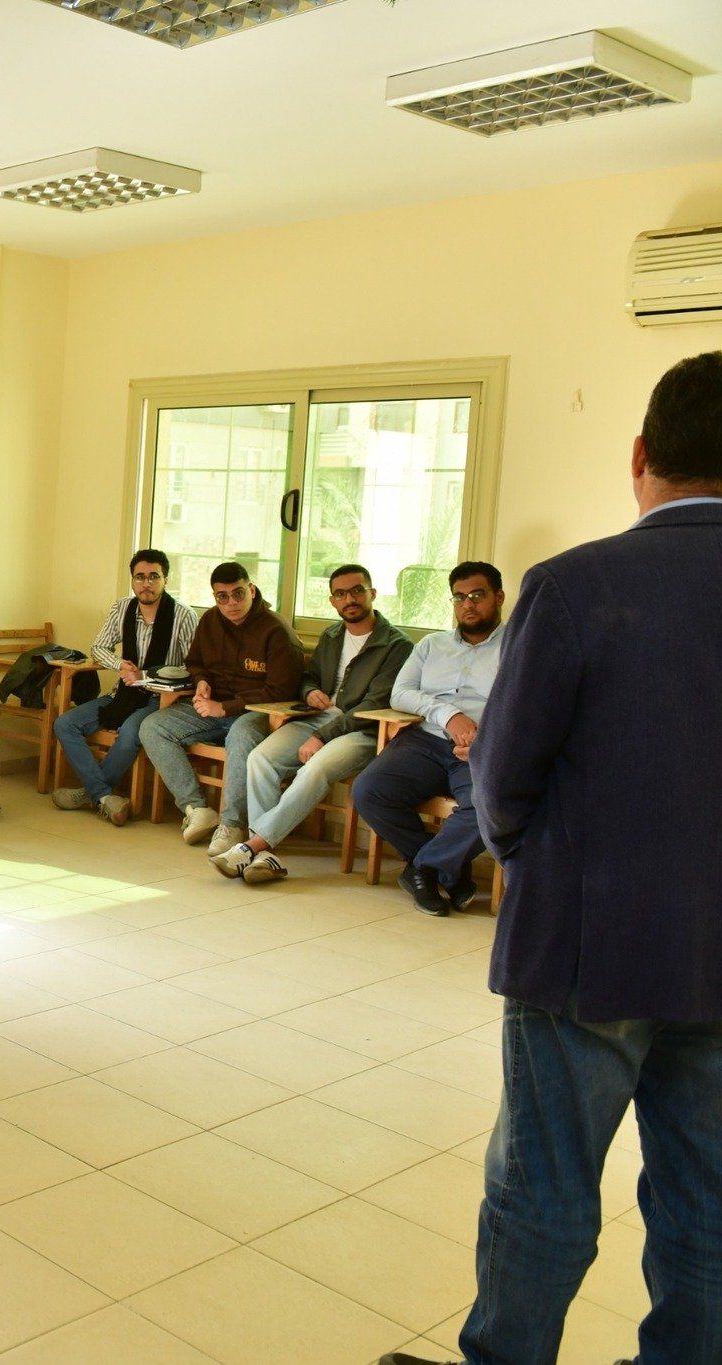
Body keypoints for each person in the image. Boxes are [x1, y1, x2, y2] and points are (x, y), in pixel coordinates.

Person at [376, 361, 722, 1365]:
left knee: (545, 1186)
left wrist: (534, 865)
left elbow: (501, 770)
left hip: (586, 942)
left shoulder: (576, 584)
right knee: (705, 1195)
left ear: (639, 457)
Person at [210, 564, 410, 883]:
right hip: (317, 718)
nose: (349, 599)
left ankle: (252, 847)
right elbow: (308, 677)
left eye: (357, 591)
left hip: (363, 729)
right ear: (332, 601)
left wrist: (321, 736)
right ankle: (263, 857)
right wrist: (310, 691)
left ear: (372, 593)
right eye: (340, 594)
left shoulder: (397, 645)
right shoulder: (332, 636)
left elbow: (374, 703)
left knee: (315, 768)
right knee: (260, 758)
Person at [351, 561, 505, 916]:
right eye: (459, 597)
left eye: (477, 595)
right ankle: (450, 871)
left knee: (491, 805)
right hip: (426, 741)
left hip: (482, 748)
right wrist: (448, 715)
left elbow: (526, 706)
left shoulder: (519, 646)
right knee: (368, 790)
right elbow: (401, 693)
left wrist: (485, 738)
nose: (467, 604)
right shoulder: (431, 645)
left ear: (498, 597)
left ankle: (423, 869)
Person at [136, 561, 301, 847]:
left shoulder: (276, 630)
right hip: (212, 706)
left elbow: (282, 690)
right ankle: (197, 809)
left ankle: (232, 825)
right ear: (215, 597)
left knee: (240, 735)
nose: (231, 603)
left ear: (251, 590)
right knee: (152, 727)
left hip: (257, 711)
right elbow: (195, 662)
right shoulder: (210, 620)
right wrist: (201, 681)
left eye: (238, 594)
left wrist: (226, 708)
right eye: (222, 597)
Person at [52, 548, 198, 826]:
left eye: (154, 577)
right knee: (64, 724)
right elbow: (98, 647)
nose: (146, 583)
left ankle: (91, 794)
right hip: (123, 693)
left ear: (165, 579)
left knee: (132, 731)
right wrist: (120, 665)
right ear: (132, 580)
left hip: (160, 700)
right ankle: (104, 796)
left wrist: (148, 676)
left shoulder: (183, 615)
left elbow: (194, 666)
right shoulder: (122, 608)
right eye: (139, 577)